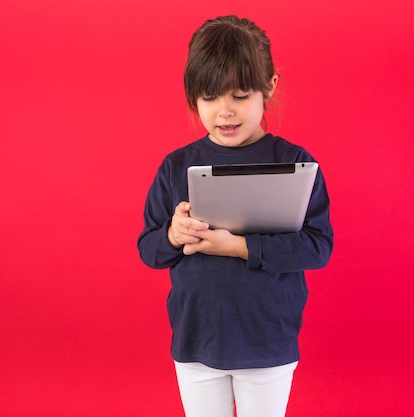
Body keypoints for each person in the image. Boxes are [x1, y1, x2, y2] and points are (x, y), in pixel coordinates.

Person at [137, 15, 333, 417]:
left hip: (267, 340)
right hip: (196, 339)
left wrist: (240, 247)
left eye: (240, 95)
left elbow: (318, 246)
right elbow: (148, 249)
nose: (225, 112)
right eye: (210, 98)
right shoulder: (176, 167)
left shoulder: (294, 163)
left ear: (269, 87)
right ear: (193, 97)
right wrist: (174, 235)